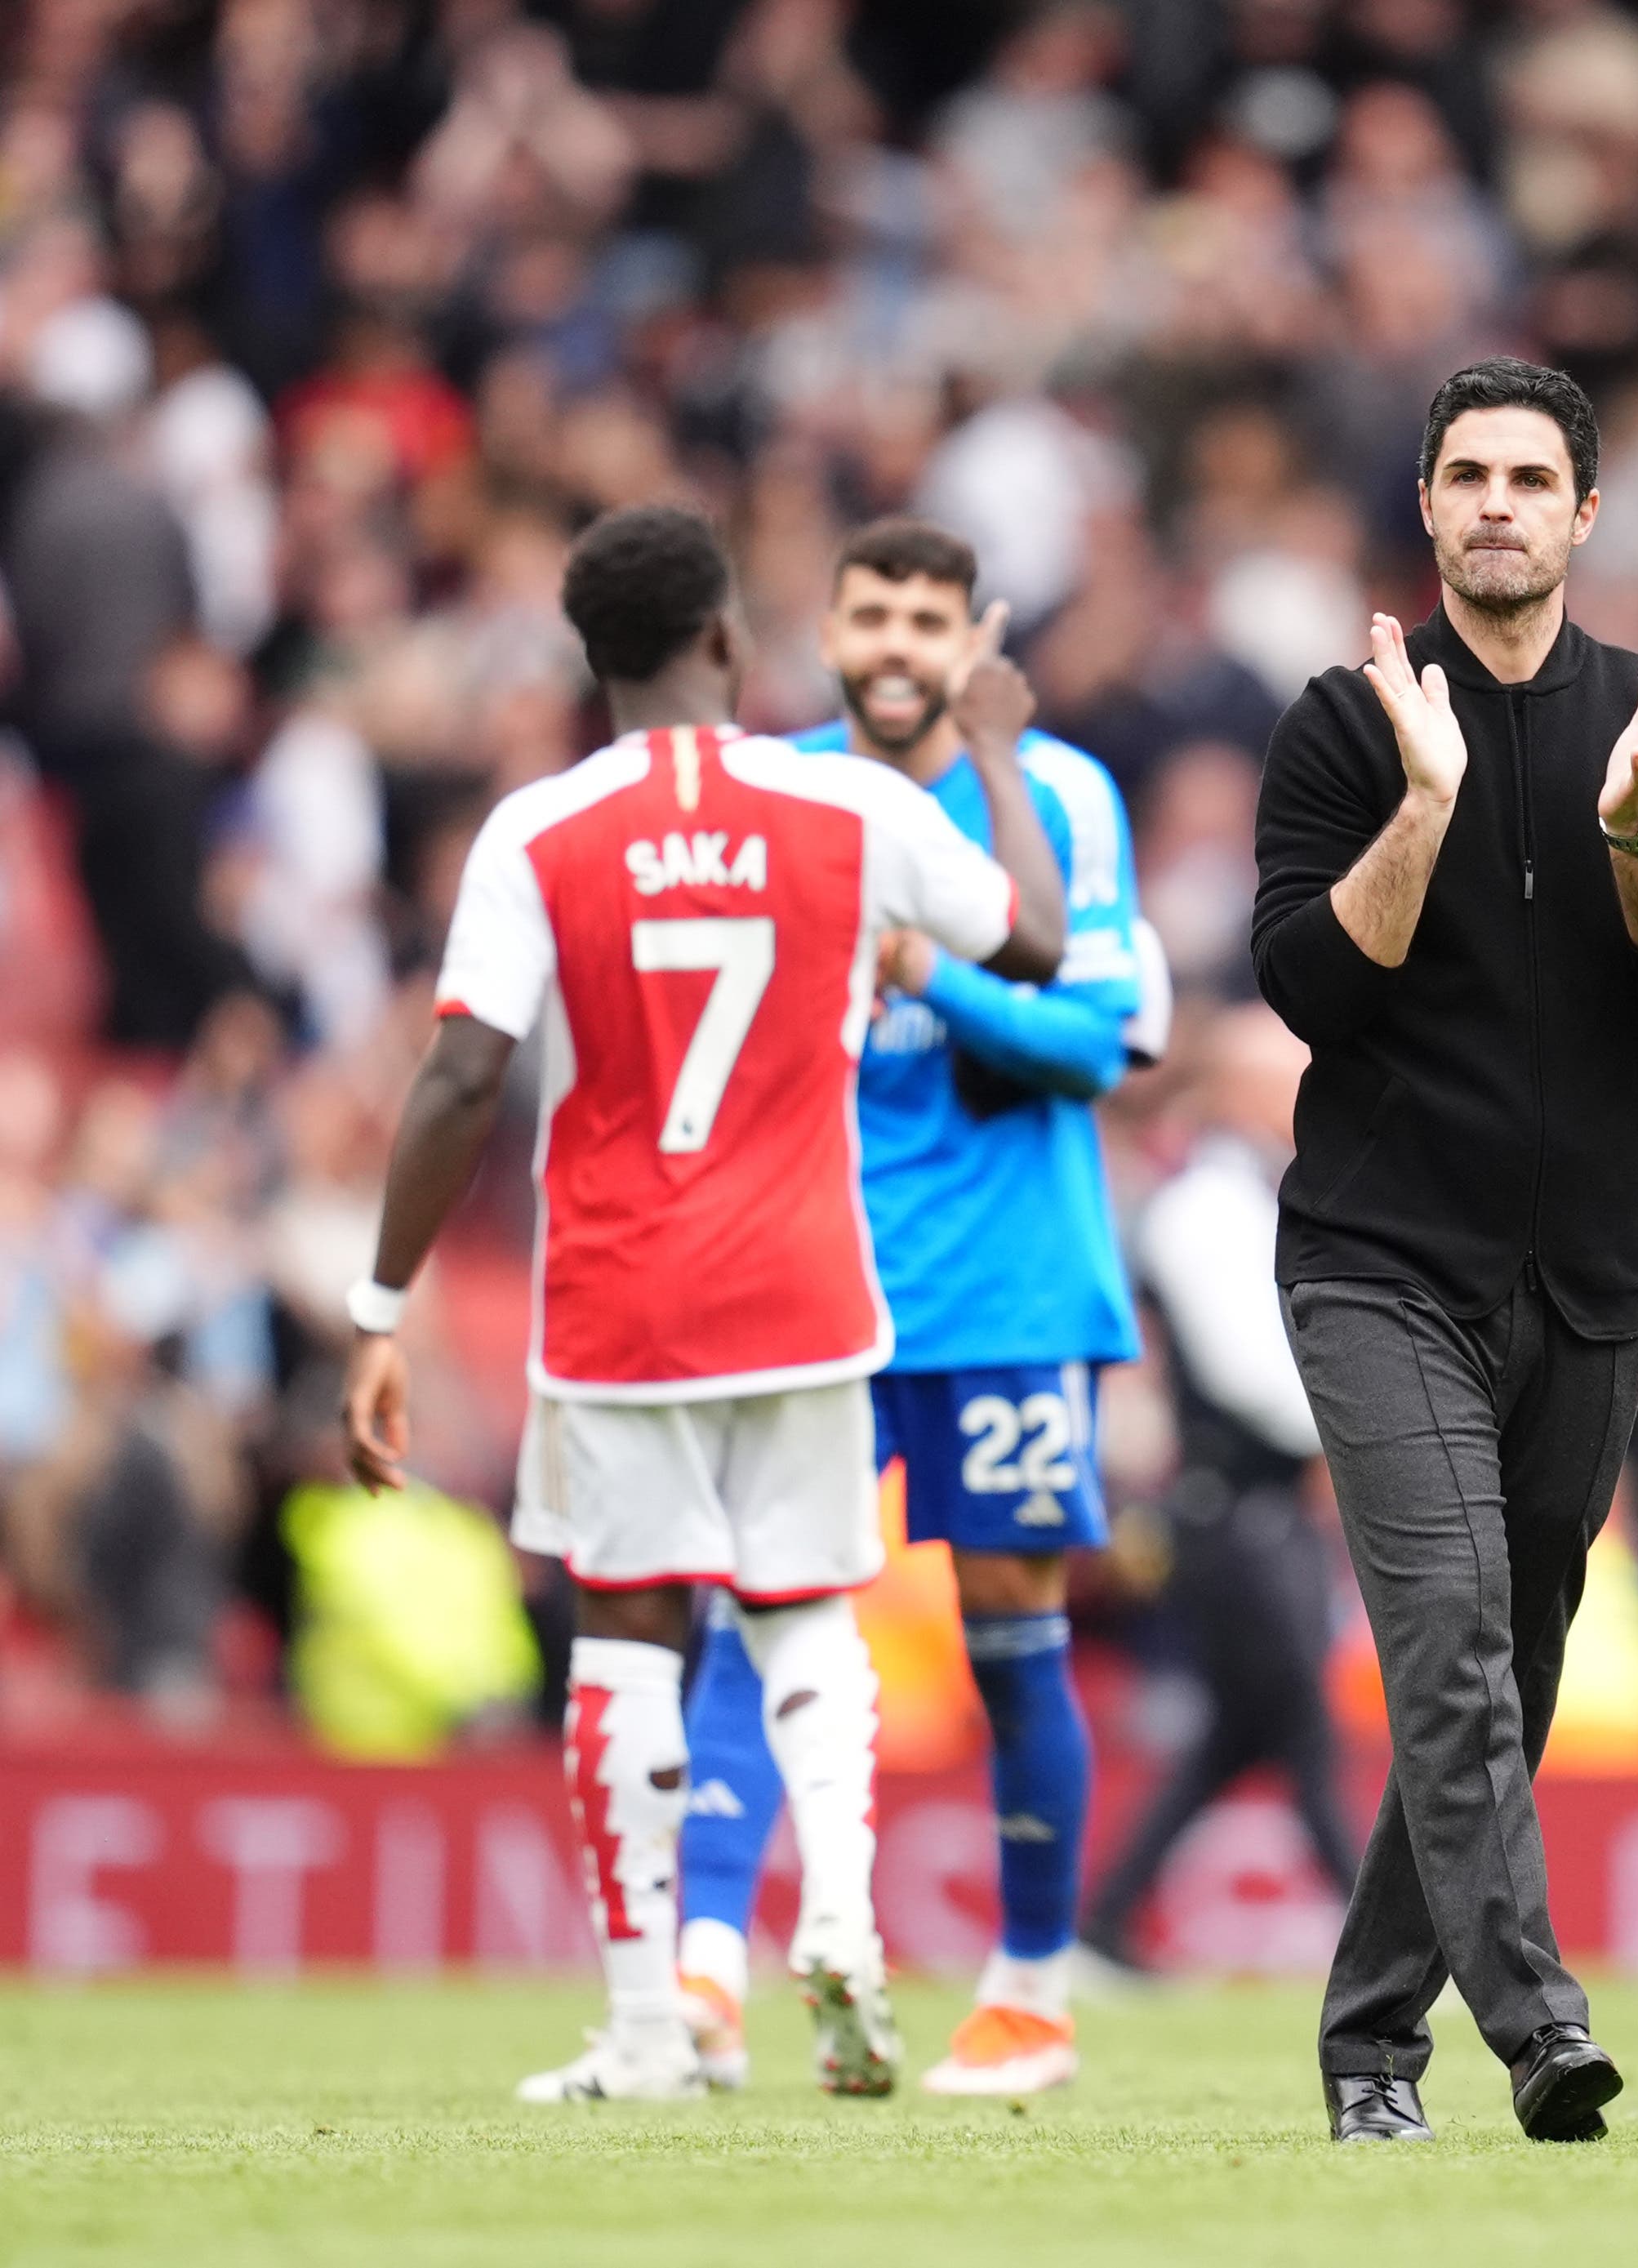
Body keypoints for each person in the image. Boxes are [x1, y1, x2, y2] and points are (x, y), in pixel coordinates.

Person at [339, 501, 1070, 2103]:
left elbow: (464, 1069)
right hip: (808, 1283)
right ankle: (848, 1926)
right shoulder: (843, 806)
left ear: (588, 658)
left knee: (630, 1631)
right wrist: (999, 752)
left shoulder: (537, 831)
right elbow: (1033, 936)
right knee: (806, 1608)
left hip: (617, 1300)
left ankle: (649, 2018)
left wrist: (380, 1302)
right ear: (732, 642)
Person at [1249, 357, 1638, 2144]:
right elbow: (1306, 983)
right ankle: (1539, 2023)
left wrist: (1633, 830)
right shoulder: (1343, 721)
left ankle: (1370, 2036)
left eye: (1530, 478)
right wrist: (1426, 799)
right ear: (1426, 505)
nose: (1496, 503)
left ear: (1583, 514)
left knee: (1509, 1664)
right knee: (1451, 1628)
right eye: (1466, 473)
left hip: (1591, 1280)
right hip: (1379, 1261)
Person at [670, 518, 1161, 2100]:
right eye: (869, 612)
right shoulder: (774, 794)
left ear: (974, 635)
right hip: (811, 1282)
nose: (895, 643)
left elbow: (1090, 1047)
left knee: (1013, 1635)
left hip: (1009, 1282)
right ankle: (697, 1972)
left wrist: (919, 970)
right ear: (823, 625)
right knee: (754, 1610)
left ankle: (1026, 1990)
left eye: (926, 618)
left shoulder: (1064, 794)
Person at [1082, 1004, 1360, 1965]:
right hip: (1230, 1515)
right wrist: (1368, 1424)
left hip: (1254, 1513)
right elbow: (1256, 1381)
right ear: (1242, 1089)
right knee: (1307, 1739)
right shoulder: (1207, 1205)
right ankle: (1401, 1949)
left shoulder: (1248, 1197)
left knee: (1238, 1740)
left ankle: (1105, 1925)